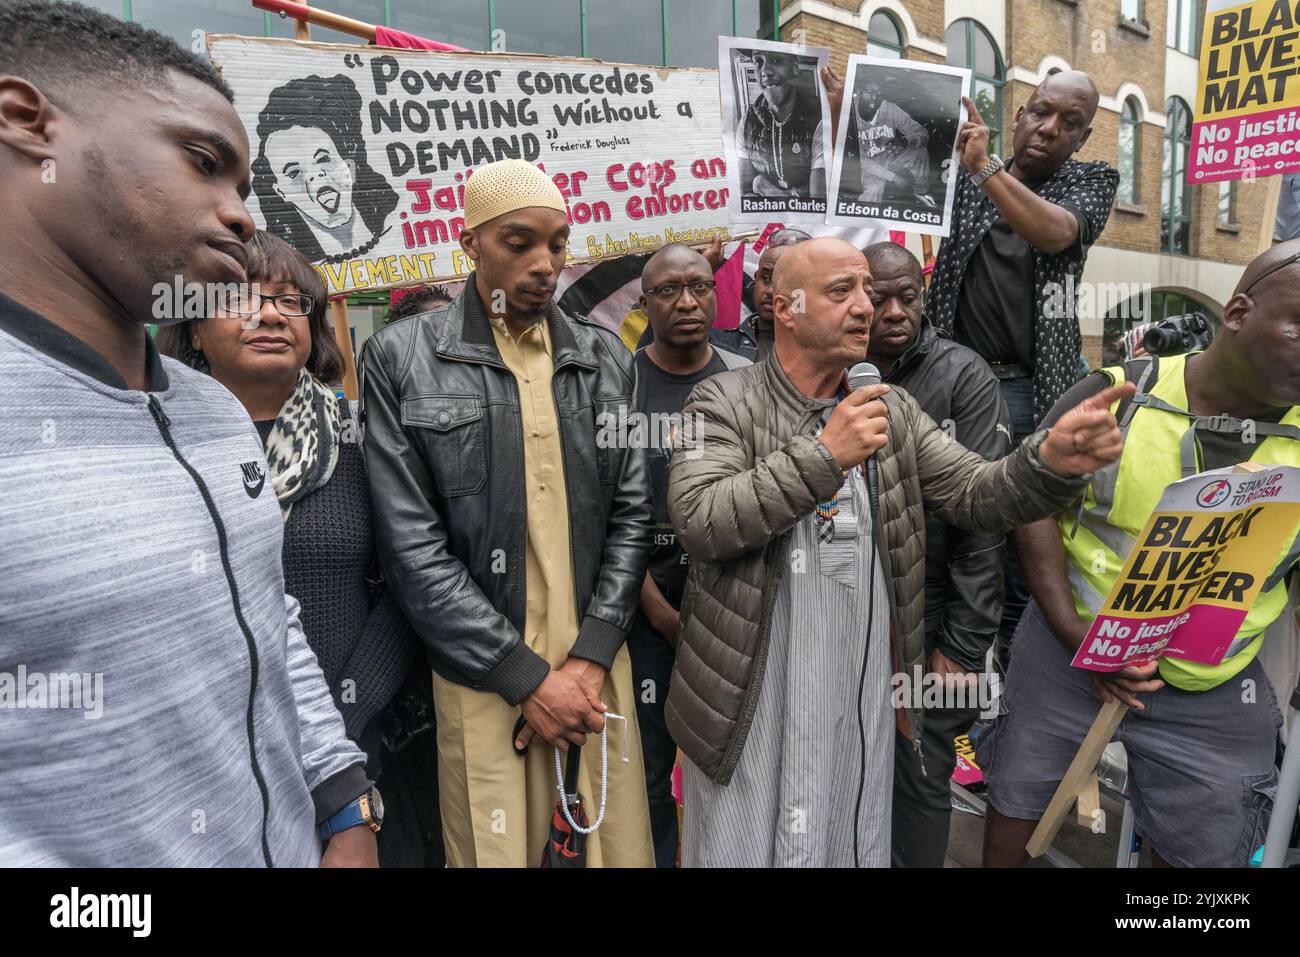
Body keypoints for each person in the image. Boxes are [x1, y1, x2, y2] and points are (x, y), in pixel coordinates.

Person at [0, 0, 374, 866]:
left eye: (242, 187)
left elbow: (266, 620)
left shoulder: (211, 415)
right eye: (204, 163)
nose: (242, 216)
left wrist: (341, 802)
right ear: (26, 123)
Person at [665, 236, 1132, 867]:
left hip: (860, 699)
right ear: (786, 308)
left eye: (867, 289)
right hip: (754, 694)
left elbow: (977, 494)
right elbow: (701, 521)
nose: (865, 307)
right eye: (842, 292)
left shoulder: (892, 410)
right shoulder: (721, 400)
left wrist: (1045, 463)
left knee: (844, 842)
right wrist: (826, 456)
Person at [360, 158, 655, 867]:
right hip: (484, 674)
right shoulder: (400, 357)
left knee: (614, 850)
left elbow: (634, 515)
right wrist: (526, 679)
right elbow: (412, 549)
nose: (543, 262)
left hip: (594, 671)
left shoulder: (604, 359)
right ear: (470, 244)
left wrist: (587, 660)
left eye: (557, 243)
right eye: (518, 242)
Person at [979, 240, 1300, 869]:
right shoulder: (1122, 395)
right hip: (1067, 654)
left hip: (1215, 685)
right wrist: (1075, 634)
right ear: (1237, 312)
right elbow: (1033, 500)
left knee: (1203, 850)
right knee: (1017, 794)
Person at [156, 229, 431, 866]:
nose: (271, 314)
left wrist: (340, 723)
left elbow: (406, 587)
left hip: (361, 748)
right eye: (242, 299)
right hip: (215, 756)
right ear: (194, 329)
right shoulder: (165, 452)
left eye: (291, 302)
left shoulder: (365, 442)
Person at [923, 69, 1119, 653]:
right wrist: (843, 115)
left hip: (1031, 394)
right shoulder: (960, 171)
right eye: (1040, 112)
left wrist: (986, 170)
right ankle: (949, 671)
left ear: (1083, 139)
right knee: (947, 531)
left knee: (1022, 548)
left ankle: (1012, 691)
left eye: (1070, 123)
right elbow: (880, 178)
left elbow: (1056, 233)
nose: (1049, 129)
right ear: (1019, 115)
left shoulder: (1091, 180)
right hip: (953, 387)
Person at [863, 242, 1011, 867]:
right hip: (847, 606)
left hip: (931, 619)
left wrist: (964, 644)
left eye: (909, 297)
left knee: (920, 772)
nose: (896, 312)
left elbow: (985, 516)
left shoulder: (962, 375)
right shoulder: (826, 368)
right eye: (879, 299)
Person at [627, 244, 749, 867]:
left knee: (728, 763)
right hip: (643, 606)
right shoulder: (618, 384)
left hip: (733, 610)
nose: (687, 302)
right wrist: (658, 613)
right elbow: (607, 514)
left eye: (699, 286)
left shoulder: (744, 375)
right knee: (647, 766)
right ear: (645, 303)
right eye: (669, 290)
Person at [251, 74, 400, 263]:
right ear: (281, 192)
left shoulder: (401, 228)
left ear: (350, 167)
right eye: (293, 172)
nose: (315, 175)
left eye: (323, 159)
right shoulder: (289, 273)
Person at [738, 50, 826, 200]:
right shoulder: (747, 122)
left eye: (776, 61)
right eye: (758, 63)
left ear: (795, 67)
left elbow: (817, 200)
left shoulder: (819, 116)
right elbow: (745, 194)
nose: (765, 72)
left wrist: (765, 188)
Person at [853, 82, 932, 206]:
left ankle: (921, 193)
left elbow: (923, 134)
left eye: (879, 94)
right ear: (858, 91)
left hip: (889, 158)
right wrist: (894, 178)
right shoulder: (849, 112)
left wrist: (905, 141)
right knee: (873, 191)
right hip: (865, 166)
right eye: (869, 91)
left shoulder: (890, 109)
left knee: (920, 152)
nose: (874, 97)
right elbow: (861, 160)